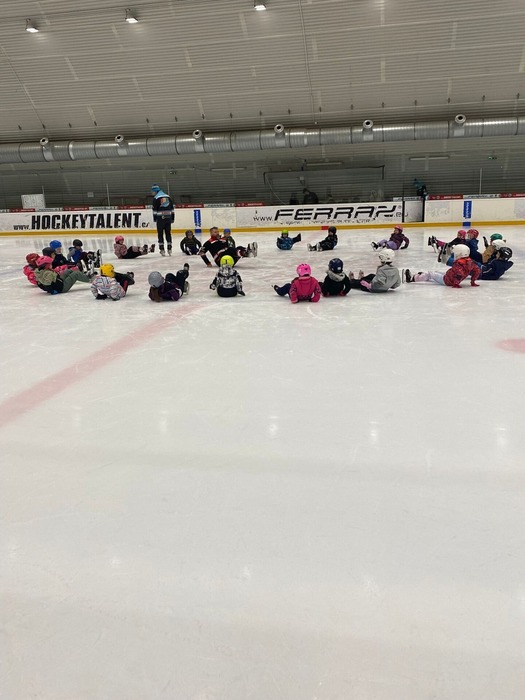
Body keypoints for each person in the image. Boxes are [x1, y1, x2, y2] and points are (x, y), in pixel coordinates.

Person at [404, 244, 480, 287]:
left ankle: (412, 278)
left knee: (430, 274)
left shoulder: (459, 263)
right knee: (436, 272)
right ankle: (423, 275)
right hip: (450, 277)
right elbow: (477, 270)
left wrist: (456, 284)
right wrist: (472, 281)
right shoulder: (470, 262)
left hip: (447, 280)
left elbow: (459, 274)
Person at [151, 184, 175, 256]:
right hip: (168, 218)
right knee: (168, 233)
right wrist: (172, 218)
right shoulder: (168, 197)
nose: (152, 193)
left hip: (160, 219)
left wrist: (155, 218)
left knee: (160, 234)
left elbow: (155, 210)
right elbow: (172, 209)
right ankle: (169, 248)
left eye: (153, 191)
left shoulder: (156, 198)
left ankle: (162, 249)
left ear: (155, 191)